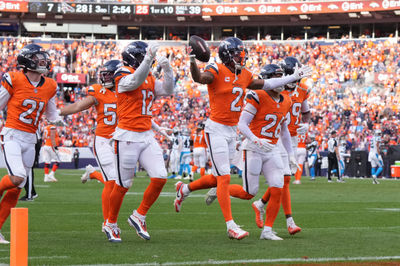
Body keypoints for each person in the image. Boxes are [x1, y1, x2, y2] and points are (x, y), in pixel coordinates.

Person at [174, 37, 312, 240]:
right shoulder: (217, 69)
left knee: (216, 178)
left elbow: (270, 83)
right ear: (228, 54)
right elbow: (200, 78)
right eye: (238, 52)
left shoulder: (246, 75)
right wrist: (193, 61)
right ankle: (230, 225)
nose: (242, 55)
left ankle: (184, 188)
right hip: (216, 129)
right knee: (224, 178)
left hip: (231, 132)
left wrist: (292, 77)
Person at [106, 41, 174, 242]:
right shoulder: (121, 72)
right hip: (126, 136)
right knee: (122, 184)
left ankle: (139, 215)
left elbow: (168, 90)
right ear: (134, 57)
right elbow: (134, 81)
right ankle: (110, 223)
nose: (149, 58)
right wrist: (147, 59)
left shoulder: (149, 76)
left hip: (146, 135)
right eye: (144, 56)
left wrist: (168, 69)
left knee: (161, 177)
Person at [0, 43, 63, 244]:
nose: (43, 61)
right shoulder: (14, 78)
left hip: (31, 138)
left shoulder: (51, 85)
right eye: (38, 57)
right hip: (12, 134)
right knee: (18, 177)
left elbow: (52, 114)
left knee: (18, 187)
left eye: (44, 57)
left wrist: (67, 114)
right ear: (27, 61)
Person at [226, 64, 294, 240]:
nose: (280, 80)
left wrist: (291, 154)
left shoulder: (286, 100)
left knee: (278, 186)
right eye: (275, 76)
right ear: (267, 78)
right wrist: (256, 139)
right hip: (254, 149)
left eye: (281, 76)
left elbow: (285, 131)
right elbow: (241, 124)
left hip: (272, 149)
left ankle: (267, 231)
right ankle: (221, 189)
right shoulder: (257, 95)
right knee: (249, 192)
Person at [59, 59, 121, 236]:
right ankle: (108, 223)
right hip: (103, 140)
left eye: (109, 74)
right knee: (113, 181)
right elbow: (79, 106)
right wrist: (57, 112)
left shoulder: (127, 92)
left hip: (121, 142)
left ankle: (93, 174)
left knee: (122, 182)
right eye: (105, 74)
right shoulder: (98, 92)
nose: (105, 77)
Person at [252, 57, 311, 235]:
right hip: (276, 138)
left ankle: (260, 203)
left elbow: (306, 112)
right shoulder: (276, 89)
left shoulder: (303, 90)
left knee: (283, 180)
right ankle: (289, 221)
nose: (295, 81)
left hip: (291, 139)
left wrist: (306, 124)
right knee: (284, 180)